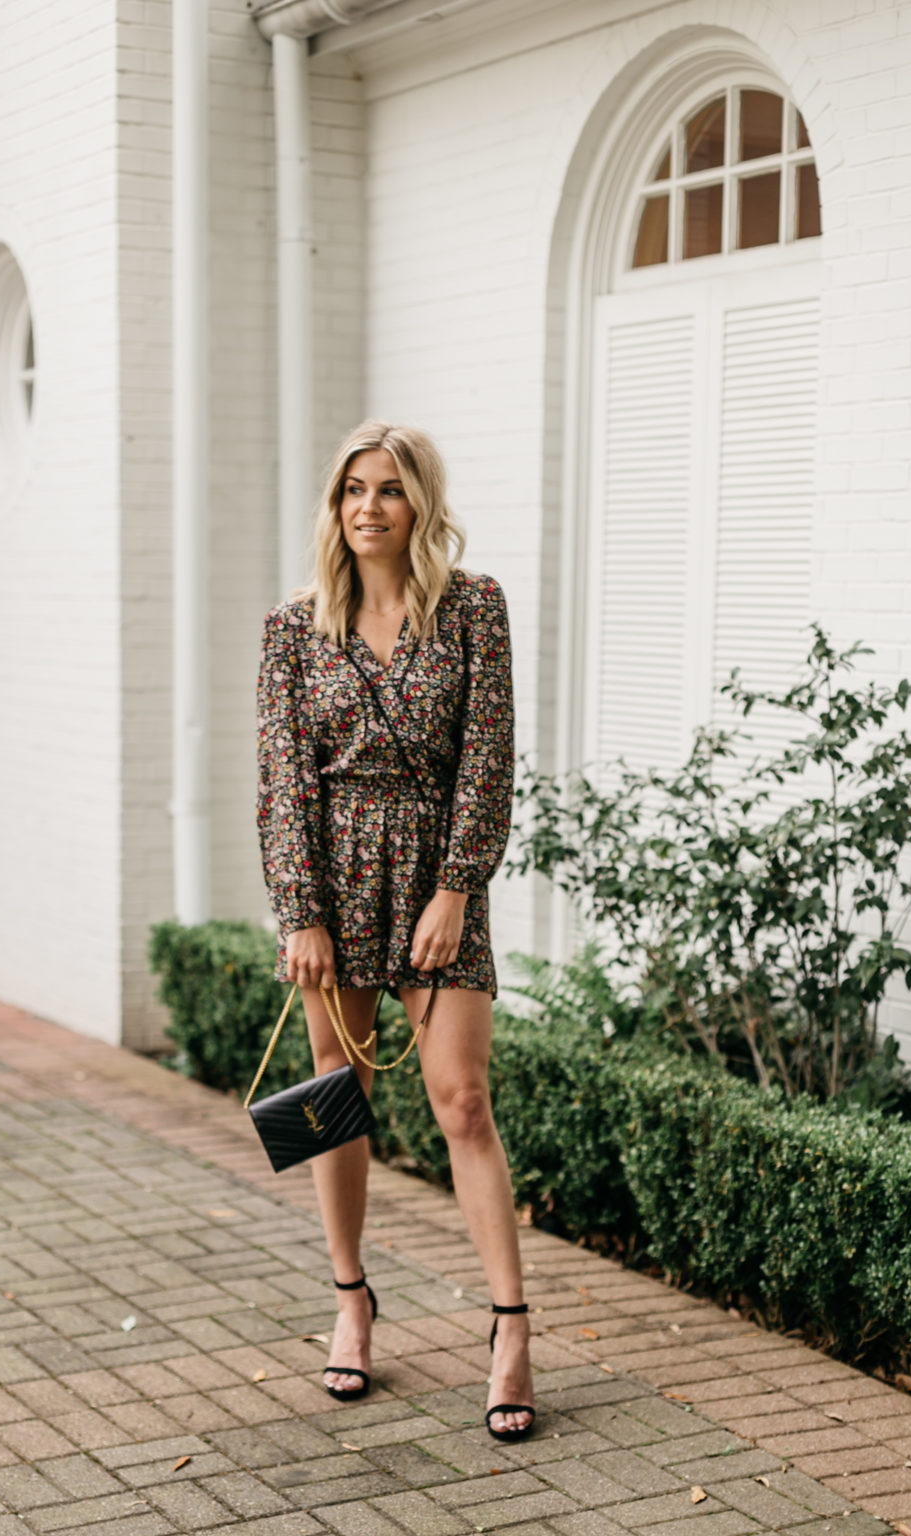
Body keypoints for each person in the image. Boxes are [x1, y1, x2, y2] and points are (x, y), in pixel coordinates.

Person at [256, 420, 534, 1442]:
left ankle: (509, 1326)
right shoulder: (295, 629)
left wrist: (457, 888)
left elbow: (489, 756)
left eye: (389, 489)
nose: (368, 506)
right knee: (336, 1099)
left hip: (435, 875)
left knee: (461, 1100)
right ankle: (350, 1301)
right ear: (335, 508)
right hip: (332, 875)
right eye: (351, 490)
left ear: (422, 503)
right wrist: (301, 913)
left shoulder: (474, 610)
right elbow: (283, 783)